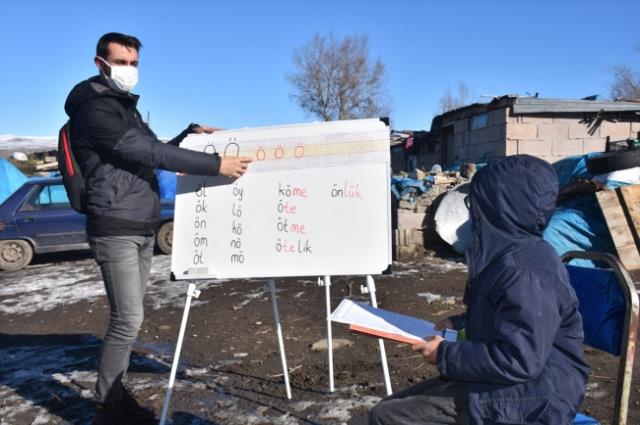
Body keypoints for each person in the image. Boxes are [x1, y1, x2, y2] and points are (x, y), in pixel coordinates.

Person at [64, 32, 252, 424]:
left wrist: (190, 133)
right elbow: (146, 151)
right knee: (126, 319)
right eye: (121, 62)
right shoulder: (95, 111)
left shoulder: (123, 108)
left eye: (134, 64)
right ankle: (107, 408)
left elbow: (151, 149)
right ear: (100, 63)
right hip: (114, 225)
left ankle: (113, 396)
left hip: (139, 224)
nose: (129, 70)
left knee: (129, 318)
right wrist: (216, 165)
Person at [369, 155, 590, 425]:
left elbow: (520, 358)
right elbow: (507, 317)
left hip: (536, 395)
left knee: (387, 417)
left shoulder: (523, 271)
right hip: (517, 382)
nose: (473, 211)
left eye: (477, 202)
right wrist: (459, 323)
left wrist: (445, 354)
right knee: (390, 407)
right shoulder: (512, 253)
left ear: (499, 207)